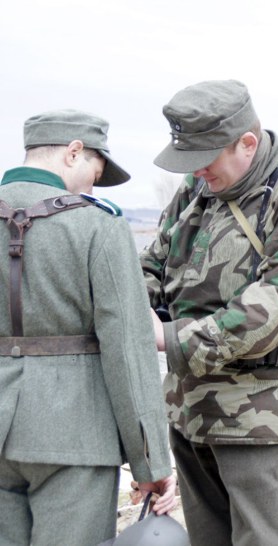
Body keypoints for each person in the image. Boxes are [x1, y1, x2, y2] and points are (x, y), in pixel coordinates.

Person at [142, 79, 278, 546]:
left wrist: (170, 338)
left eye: (206, 158)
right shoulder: (197, 187)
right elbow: (154, 263)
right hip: (191, 411)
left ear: (248, 143)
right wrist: (136, 305)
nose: (197, 170)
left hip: (264, 420)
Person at [0, 109, 176, 545]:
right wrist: (151, 464)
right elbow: (129, 351)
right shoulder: (99, 225)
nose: (91, 187)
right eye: (95, 174)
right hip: (76, 437)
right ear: (73, 152)